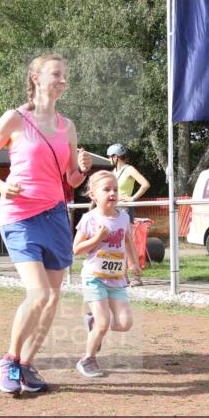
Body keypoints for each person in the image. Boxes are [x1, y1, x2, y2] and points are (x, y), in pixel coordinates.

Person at [0, 53, 92, 395]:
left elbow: (68, 178)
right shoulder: (15, 119)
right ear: (36, 78)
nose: (62, 81)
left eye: (65, 76)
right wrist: (1, 186)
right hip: (19, 213)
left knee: (53, 298)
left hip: (55, 213)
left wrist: (81, 168)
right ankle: (9, 360)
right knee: (38, 292)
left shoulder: (67, 126)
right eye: (56, 74)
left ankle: (26, 364)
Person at [73, 171, 139, 378]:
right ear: (93, 195)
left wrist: (133, 262)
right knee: (103, 323)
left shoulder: (123, 217)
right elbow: (76, 249)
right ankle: (87, 359)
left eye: (115, 190)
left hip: (116, 278)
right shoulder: (89, 219)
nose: (113, 193)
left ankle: (93, 323)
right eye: (106, 190)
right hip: (94, 277)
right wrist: (97, 238)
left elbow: (128, 240)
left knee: (124, 323)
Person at [106, 143, 150, 285]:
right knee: (118, 244)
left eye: (110, 157)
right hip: (115, 209)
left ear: (116, 157)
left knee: (128, 243)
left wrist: (132, 198)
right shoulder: (113, 173)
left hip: (126, 209)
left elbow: (145, 184)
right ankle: (123, 277)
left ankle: (137, 276)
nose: (108, 160)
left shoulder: (129, 169)